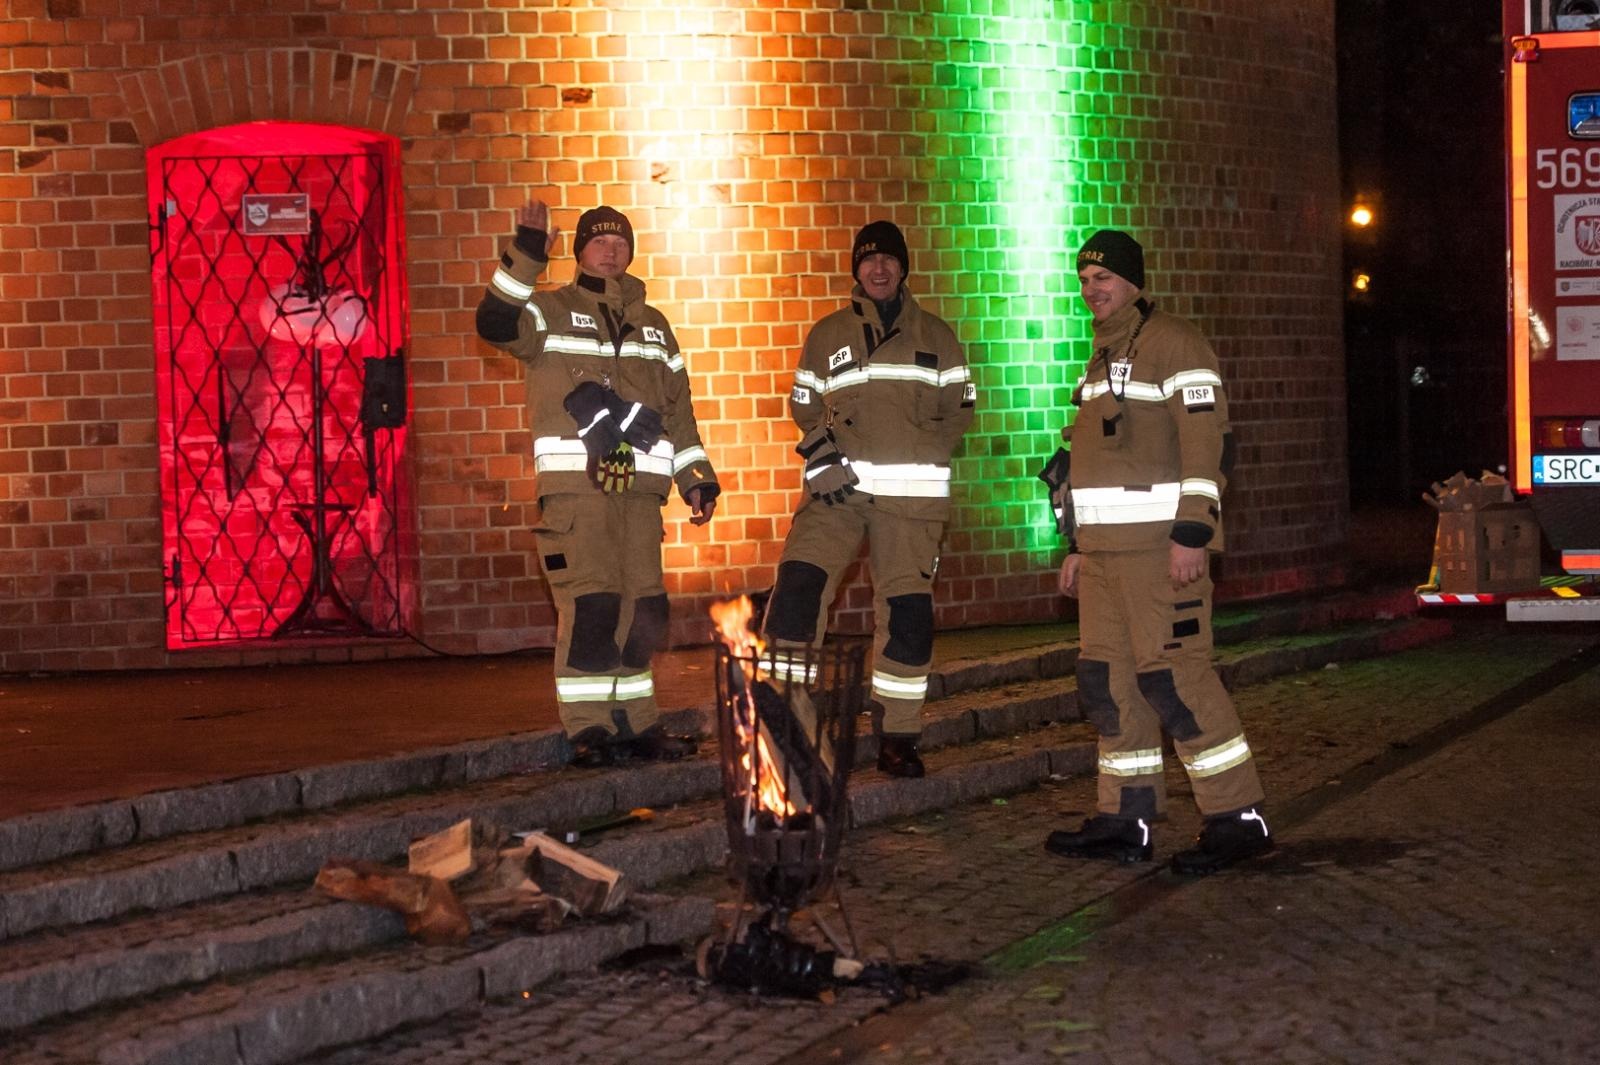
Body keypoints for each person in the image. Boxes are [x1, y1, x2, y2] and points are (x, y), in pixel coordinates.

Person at [1044, 229, 1273, 875]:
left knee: (1178, 679)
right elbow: (1092, 463)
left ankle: (1238, 817)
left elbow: (1210, 445)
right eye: (1085, 279)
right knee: (1110, 687)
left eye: (1103, 278)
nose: (1092, 289)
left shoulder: (1176, 343)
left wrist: (1193, 533)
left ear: (1134, 280)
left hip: (1158, 554)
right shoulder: (1101, 355)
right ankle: (1127, 818)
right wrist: (1079, 547)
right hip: (1107, 559)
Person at [476, 199, 720, 767]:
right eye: (598, 241)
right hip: (578, 493)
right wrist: (528, 253)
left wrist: (695, 476)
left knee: (644, 611)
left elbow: (679, 411)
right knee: (594, 606)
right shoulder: (547, 310)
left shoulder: (655, 326)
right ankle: (588, 729)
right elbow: (493, 322)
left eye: (620, 242)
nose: (610, 250)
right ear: (581, 249)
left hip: (641, 497)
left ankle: (636, 723)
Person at [759, 221, 975, 778]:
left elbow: (960, 410)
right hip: (838, 494)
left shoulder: (938, 336)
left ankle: (898, 735)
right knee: (798, 590)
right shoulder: (828, 333)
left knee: (907, 617)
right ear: (855, 270)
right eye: (867, 260)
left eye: (888, 260)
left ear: (904, 269)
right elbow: (804, 403)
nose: (878, 269)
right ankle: (784, 721)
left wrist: (924, 452)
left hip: (911, 505)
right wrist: (821, 452)